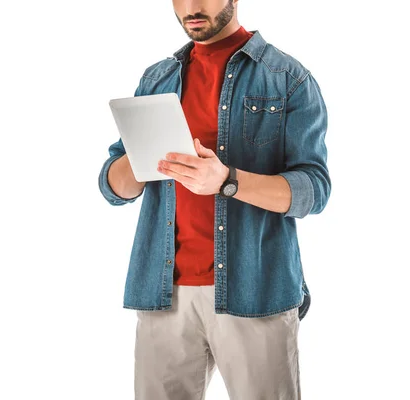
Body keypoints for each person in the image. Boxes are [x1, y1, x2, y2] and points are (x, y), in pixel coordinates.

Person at [98, 0, 330, 398]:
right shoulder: (156, 78)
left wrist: (228, 181)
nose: (192, 7)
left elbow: (314, 189)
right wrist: (136, 163)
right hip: (162, 291)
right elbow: (113, 186)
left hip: (254, 290)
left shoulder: (287, 78)